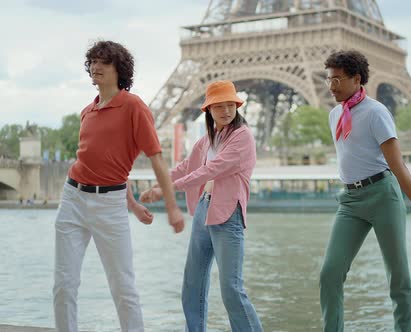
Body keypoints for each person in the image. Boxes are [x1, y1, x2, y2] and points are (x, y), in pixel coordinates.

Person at [53, 40, 185, 332]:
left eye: (103, 62)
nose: (95, 67)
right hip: (72, 197)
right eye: (92, 62)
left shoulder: (134, 107)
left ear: (119, 69)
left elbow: (157, 159)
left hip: (108, 206)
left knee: (123, 287)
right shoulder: (87, 112)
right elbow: (107, 162)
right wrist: (135, 204)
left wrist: (172, 207)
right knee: (64, 284)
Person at [319, 50, 411, 332]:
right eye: (328, 79)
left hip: (382, 195)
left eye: (337, 80)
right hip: (350, 202)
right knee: (330, 273)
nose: (331, 86)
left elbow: (398, 165)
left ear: (357, 79)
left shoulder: (377, 112)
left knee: (398, 277)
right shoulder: (335, 114)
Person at [140, 80, 263, 332]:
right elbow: (186, 167)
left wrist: (165, 191)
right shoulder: (209, 139)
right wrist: (157, 186)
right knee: (192, 284)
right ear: (208, 110)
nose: (227, 111)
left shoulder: (242, 137)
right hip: (204, 212)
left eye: (231, 105)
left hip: (228, 215)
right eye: (220, 106)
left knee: (231, 289)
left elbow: (209, 171)